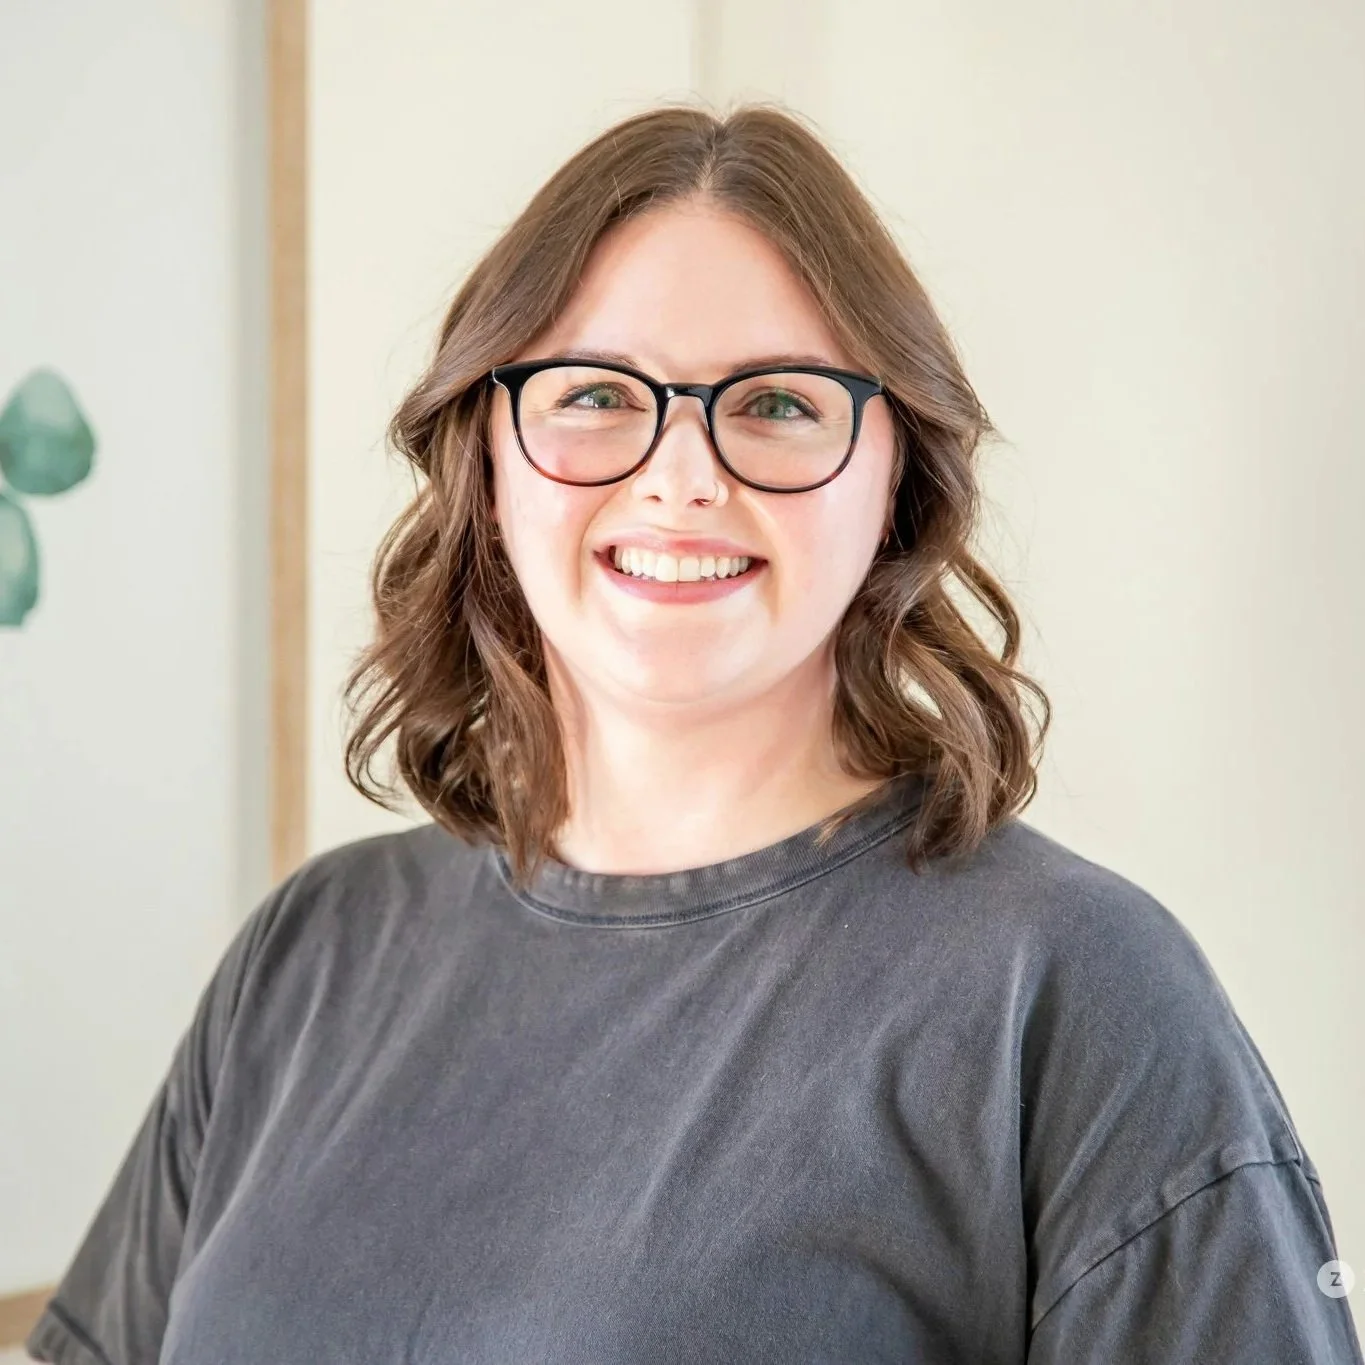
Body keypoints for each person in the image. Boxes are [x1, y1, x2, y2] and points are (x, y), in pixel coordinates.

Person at [27, 103, 1361, 1365]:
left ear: (895, 473)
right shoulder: (308, 955)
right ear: (487, 458)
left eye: (778, 403)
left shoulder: (1072, 991)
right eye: (594, 394)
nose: (680, 478)